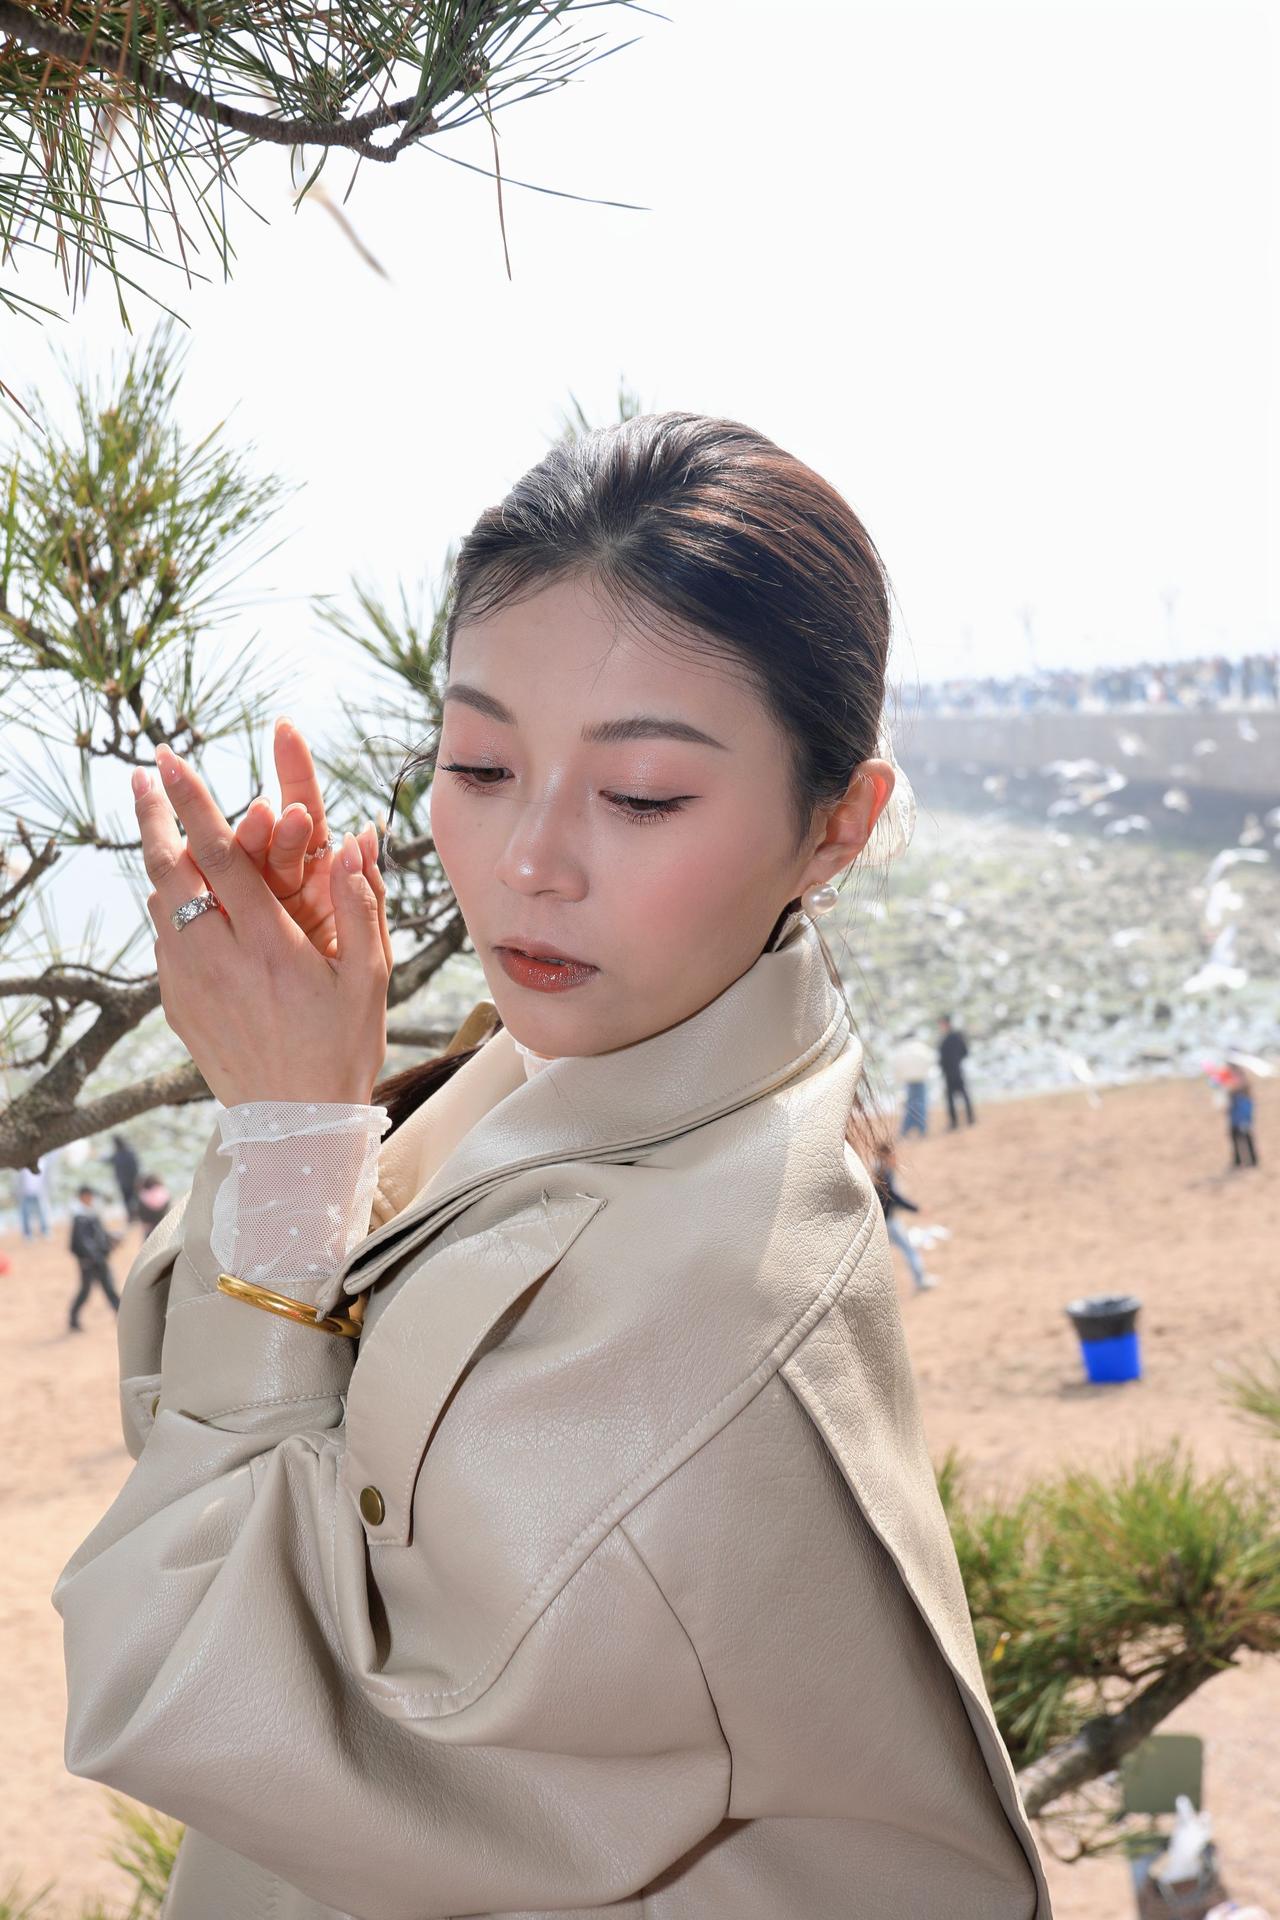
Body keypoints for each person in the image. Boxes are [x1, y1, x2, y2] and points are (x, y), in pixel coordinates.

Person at [54, 414, 1051, 1919]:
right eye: (479, 763)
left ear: (835, 827)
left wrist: (293, 1130)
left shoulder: (711, 1301)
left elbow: (182, 1683)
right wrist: (308, 1106)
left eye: (640, 794)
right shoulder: (569, 1067)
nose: (528, 859)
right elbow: (196, 1420)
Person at [872, 1136, 939, 1292]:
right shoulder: (883, 1173)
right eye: (893, 1155)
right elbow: (895, 1197)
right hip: (889, 1221)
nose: (896, 1158)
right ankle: (921, 1280)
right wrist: (916, 1209)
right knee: (909, 1249)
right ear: (887, 1155)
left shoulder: (877, 1170)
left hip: (882, 1221)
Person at [67, 1185, 122, 1331]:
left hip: (100, 1258)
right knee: (85, 1291)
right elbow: (82, 1242)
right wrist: (93, 1256)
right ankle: (73, 1319)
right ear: (82, 1197)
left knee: (109, 1288)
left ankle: (123, 1316)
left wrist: (111, 1239)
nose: (91, 1198)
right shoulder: (79, 1216)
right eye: (89, 1196)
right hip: (89, 1262)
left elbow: (100, 1234)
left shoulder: (92, 1213)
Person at [892, 1032, 935, 1137]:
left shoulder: (902, 1049)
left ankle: (906, 1130)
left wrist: (899, 1078)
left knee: (911, 1105)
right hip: (920, 1079)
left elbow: (896, 1064)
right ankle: (921, 1128)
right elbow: (930, 1060)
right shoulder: (922, 1047)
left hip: (908, 1080)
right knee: (920, 1104)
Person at [939, 1012, 975, 1128]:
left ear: (946, 1023)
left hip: (954, 1070)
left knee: (959, 1095)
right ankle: (962, 1120)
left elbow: (964, 1052)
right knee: (956, 1096)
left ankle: (965, 1120)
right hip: (952, 1070)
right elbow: (964, 1052)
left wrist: (955, 1061)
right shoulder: (949, 1037)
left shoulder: (952, 1037)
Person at [1225, 1064, 1259, 1169]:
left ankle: (1253, 1161)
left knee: (1247, 1140)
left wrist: (1245, 1121)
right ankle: (1237, 1161)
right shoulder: (1232, 1093)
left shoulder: (1244, 1094)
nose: (1234, 1080)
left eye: (1237, 1077)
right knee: (1235, 1140)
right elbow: (1230, 1108)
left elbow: (1247, 1109)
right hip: (1234, 1120)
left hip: (1243, 1121)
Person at [103, 1133, 142, 1222]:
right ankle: (138, 1215)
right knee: (135, 1198)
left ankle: (132, 1217)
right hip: (133, 1181)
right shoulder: (130, 1153)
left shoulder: (117, 1155)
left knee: (127, 1200)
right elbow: (137, 1166)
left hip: (123, 1182)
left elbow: (106, 1160)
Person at [17, 1155, 53, 1239]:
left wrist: (47, 1190)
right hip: (25, 1192)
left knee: (43, 1213)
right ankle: (28, 1234)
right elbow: (18, 1179)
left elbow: (47, 1178)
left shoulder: (43, 1162)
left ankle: (45, 1231)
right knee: (26, 1214)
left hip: (40, 1192)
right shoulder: (23, 1164)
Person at [134, 1171, 173, 1238]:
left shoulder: (143, 1197)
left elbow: (142, 1215)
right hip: (165, 1224)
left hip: (150, 1228)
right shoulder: (165, 1194)